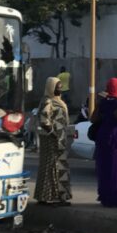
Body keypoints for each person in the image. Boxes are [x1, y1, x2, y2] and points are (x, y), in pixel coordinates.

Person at [94, 77, 117, 208]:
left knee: (104, 167)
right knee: (115, 168)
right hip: (115, 137)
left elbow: (93, 118)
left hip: (102, 136)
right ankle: (114, 199)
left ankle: (104, 197)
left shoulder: (103, 101)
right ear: (116, 88)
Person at [34, 77, 72, 205]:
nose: (59, 90)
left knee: (59, 167)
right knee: (53, 167)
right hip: (52, 140)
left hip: (60, 138)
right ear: (51, 87)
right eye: (57, 87)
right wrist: (53, 133)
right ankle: (50, 196)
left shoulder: (58, 101)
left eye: (60, 87)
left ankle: (56, 196)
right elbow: (44, 120)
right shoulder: (48, 101)